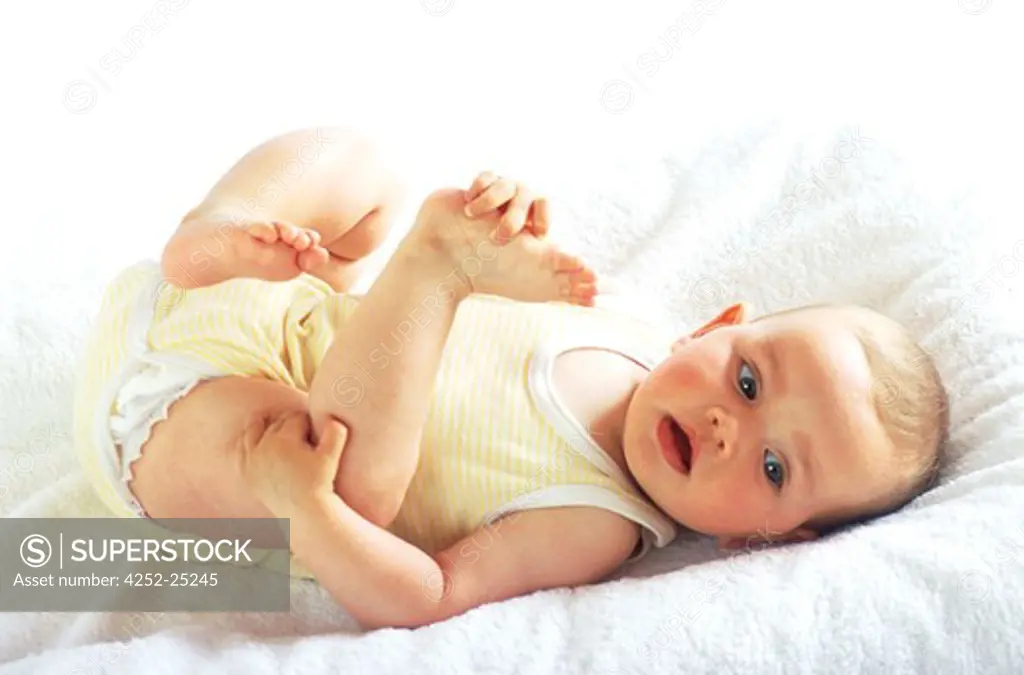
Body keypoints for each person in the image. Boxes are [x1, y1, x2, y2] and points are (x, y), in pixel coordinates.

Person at [73, 127, 948, 629]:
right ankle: (222, 217)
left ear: (769, 540)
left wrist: (310, 513)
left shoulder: (597, 522)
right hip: (246, 301)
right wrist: (507, 219)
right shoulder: (614, 319)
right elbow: (501, 281)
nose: (730, 427)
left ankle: (428, 265)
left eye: (772, 469)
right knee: (363, 172)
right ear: (717, 326)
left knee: (358, 489)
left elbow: (431, 594)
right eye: (750, 383)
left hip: (211, 445)